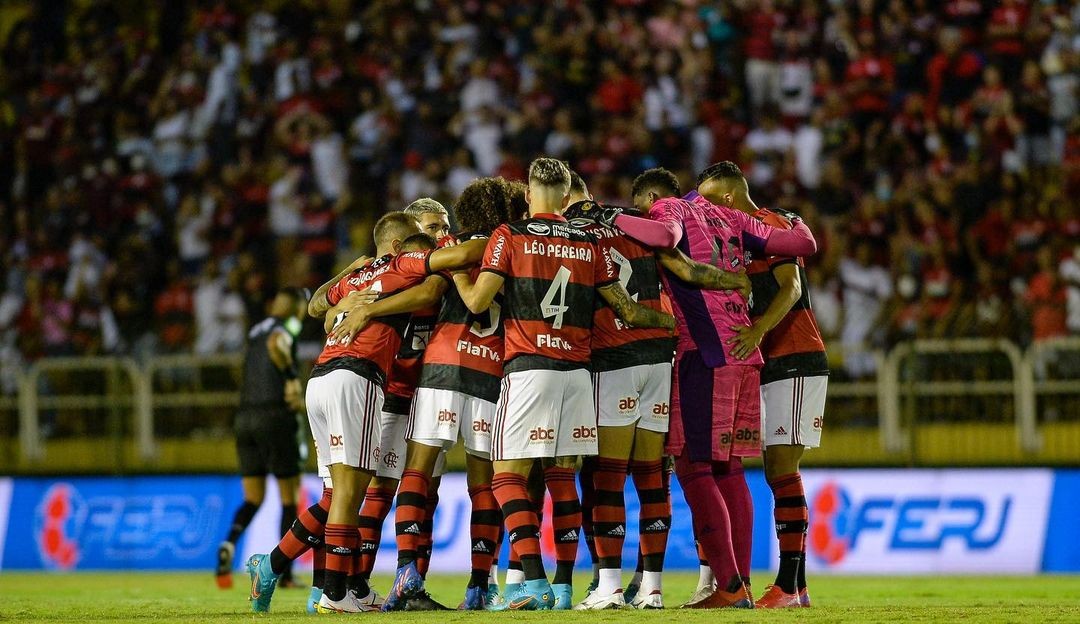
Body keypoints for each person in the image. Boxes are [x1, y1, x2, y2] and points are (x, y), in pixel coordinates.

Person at [452, 158, 676, 611]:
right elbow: (626, 311)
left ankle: (532, 582)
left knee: (506, 477)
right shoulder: (589, 241)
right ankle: (564, 585)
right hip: (576, 374)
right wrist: (669, 324)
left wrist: (456, 270)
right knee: (564, 479)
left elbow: (477, 302)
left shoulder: (510, 235)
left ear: (532, 195)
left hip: (530, 368)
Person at [244, 212, 488, 613]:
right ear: (399, 245)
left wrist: (357, 289)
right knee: (352, 494)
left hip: (322, 378)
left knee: (335, 494)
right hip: (360, 379)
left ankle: (278, 569)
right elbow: (459, 262)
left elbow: (317, 307)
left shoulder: (357, 278)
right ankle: (335, 593)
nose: (437, 238)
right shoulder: (403, 264)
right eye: (428, 232)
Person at [605, 165, 816, 609]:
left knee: (693, 467)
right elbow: (800, 244)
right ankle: (739, 584)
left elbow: (663, 237)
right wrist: (793, 219)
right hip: (746, 354)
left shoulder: (670, 208)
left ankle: (730, 587)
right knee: (730, 468)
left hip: (706, 352)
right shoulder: (733, 217)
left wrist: (612, 218)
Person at [329, 178, 524, 611]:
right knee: (480, 481)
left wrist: (356, 302)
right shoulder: (512, 247)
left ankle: (402, 574)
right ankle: (478, 583)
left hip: (434, 372)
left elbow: (429, 289)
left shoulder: (448, 249)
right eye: (435, 227)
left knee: (413, 477)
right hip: (484, 372)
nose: (441, 232)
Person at [563, 171, 750, 610]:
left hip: (614, 357)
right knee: (653, 479)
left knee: (607, 475)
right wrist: (730, 282)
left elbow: (608, 302)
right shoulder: (644, 228)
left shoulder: (582, 233)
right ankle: (651, 588)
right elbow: (686, 269)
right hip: (659, 362)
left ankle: (606, 586)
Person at [697, 161, 829, 608]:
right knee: (776, 470)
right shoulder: (739, 237)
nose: (705, 210)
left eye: (710, 200)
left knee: (781, 470)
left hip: (794, 357)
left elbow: (790, 287)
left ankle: (789, 586)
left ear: (730, 197)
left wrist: (757, 330)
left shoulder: (769, 226)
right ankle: (798, 586)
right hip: (772, 364)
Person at [215, 287, 308, 590]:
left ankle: (229, 542)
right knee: (289, 497)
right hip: (273, 415)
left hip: (244, 418)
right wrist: (293, 376)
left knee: (253, 498)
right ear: (297, 307)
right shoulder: (284, 328)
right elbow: (277, 343)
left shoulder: (256, 330)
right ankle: (286, 575)